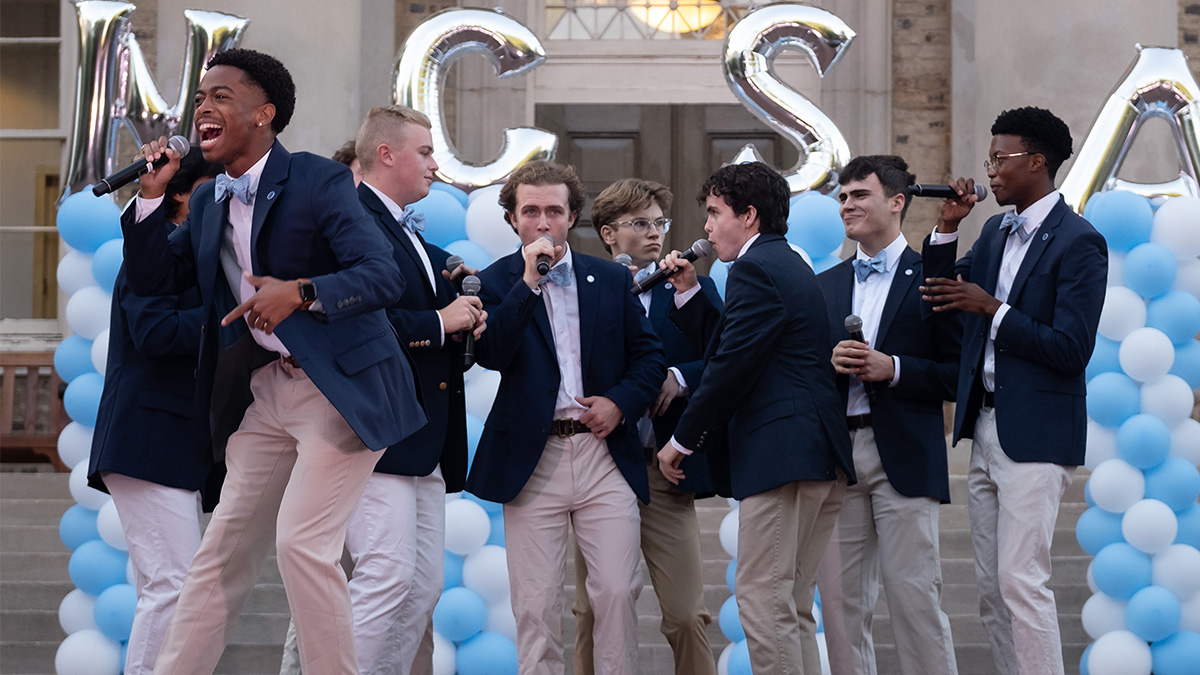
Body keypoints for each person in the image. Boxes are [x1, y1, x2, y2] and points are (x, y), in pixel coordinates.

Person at [122, 48, 425, 675]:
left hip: (342, 388)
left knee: (302, 545)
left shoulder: (319, 179)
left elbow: (382, 274)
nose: (203, 107)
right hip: (267, 392)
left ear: (264, 113)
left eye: (221, 97)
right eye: (200, 98)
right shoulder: (206, 203)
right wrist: (150, 202)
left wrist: (302, 292)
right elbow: (156, 278)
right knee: (219, 556)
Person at [920, 107, 1107, 675]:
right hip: (985, 425)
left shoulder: (1080, 242)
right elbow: (942, 295)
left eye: (1001, 159)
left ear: (1037, 161)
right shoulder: (997, 230)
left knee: (1022, 582)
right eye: (991, 160)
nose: (992, 171)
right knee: (990, 588)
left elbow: (1072, 350)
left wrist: (995, 311)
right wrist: (949, 227)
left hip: (1037, 433)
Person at [467, 161, 666, 675]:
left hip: (603, 454)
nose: (542, 222)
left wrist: (620, 401)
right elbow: (492, 353)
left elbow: (648, 358)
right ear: (513, 220)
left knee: (618, 594)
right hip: (534, 459)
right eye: (530, 211)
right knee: (535, 606)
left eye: (553, 211)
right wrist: (529, 283)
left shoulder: (608, 279)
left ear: (571, 216)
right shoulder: (494, 282)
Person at [658, 161, 854, 675]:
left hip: (784, 453)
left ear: (748, 217)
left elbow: (731, 366)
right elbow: (744, 341)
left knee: (762, 599)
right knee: (787, 603)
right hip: (814, 452)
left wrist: (682, 439)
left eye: (715, 213)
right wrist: (689, 292)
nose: (705, 227)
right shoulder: (782, 262)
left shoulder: (755, 268)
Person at [812, 155, 961, 675]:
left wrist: (892, 367)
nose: (846, 205)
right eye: (843, 196)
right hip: (838, 458)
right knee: (840, 610)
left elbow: (956, 373)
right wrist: (829, 365)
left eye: (859, 195)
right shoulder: (826, 284)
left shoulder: (934, 275)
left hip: (904, 450)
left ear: (897, 202)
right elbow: (804, 375)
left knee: (915, 600)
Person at [348, 104, 483, 674]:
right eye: (425, 152)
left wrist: (450, 273)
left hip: (423, 434)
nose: (434, 165)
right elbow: (348, 320)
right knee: (383, 578)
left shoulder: (401, 226)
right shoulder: (352, 220)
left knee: (420, 587)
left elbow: (416, 279)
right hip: (376, 433)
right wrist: (439, 322)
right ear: (386, 154)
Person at [571, 178, 720, 675]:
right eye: (640, 223)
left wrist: (678, 377)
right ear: (609, 233)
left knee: (685, 614)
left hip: (661, 471)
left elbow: (725, 356)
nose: (655, 232)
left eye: (660, 222)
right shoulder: (582, 290)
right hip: (599, 465)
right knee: (593, 609)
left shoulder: (685, 285)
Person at [87, 151, 223, 675]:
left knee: (167, 584)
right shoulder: (158, 254)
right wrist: (229, 325)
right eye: (215, 194)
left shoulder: (206, 264)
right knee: (173, 584)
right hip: (146, 438)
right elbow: (156, 333)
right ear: (182, 198)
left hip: (179, 447)